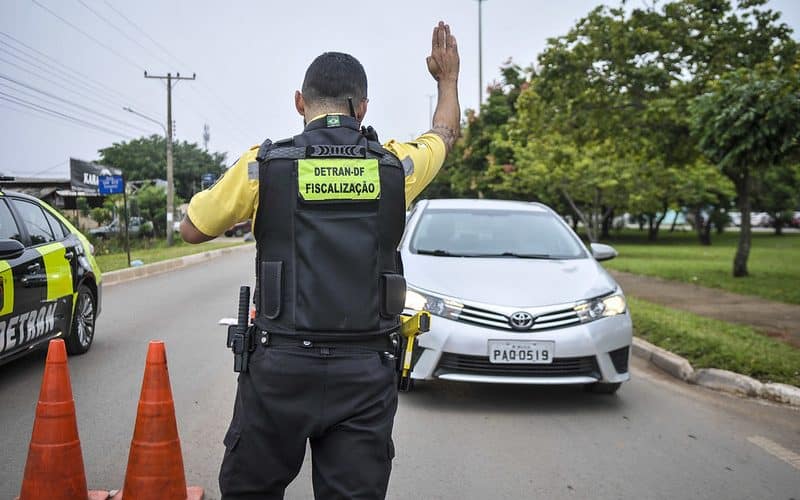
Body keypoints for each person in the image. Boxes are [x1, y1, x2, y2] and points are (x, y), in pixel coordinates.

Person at [180, 21, 460, 500]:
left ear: (299, 102)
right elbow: (444, 134)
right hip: (366, 370)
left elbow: (191, 229)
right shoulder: (397, 166)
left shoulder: (261, 167)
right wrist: (447, 82)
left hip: (279, 367)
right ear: (363, 106)